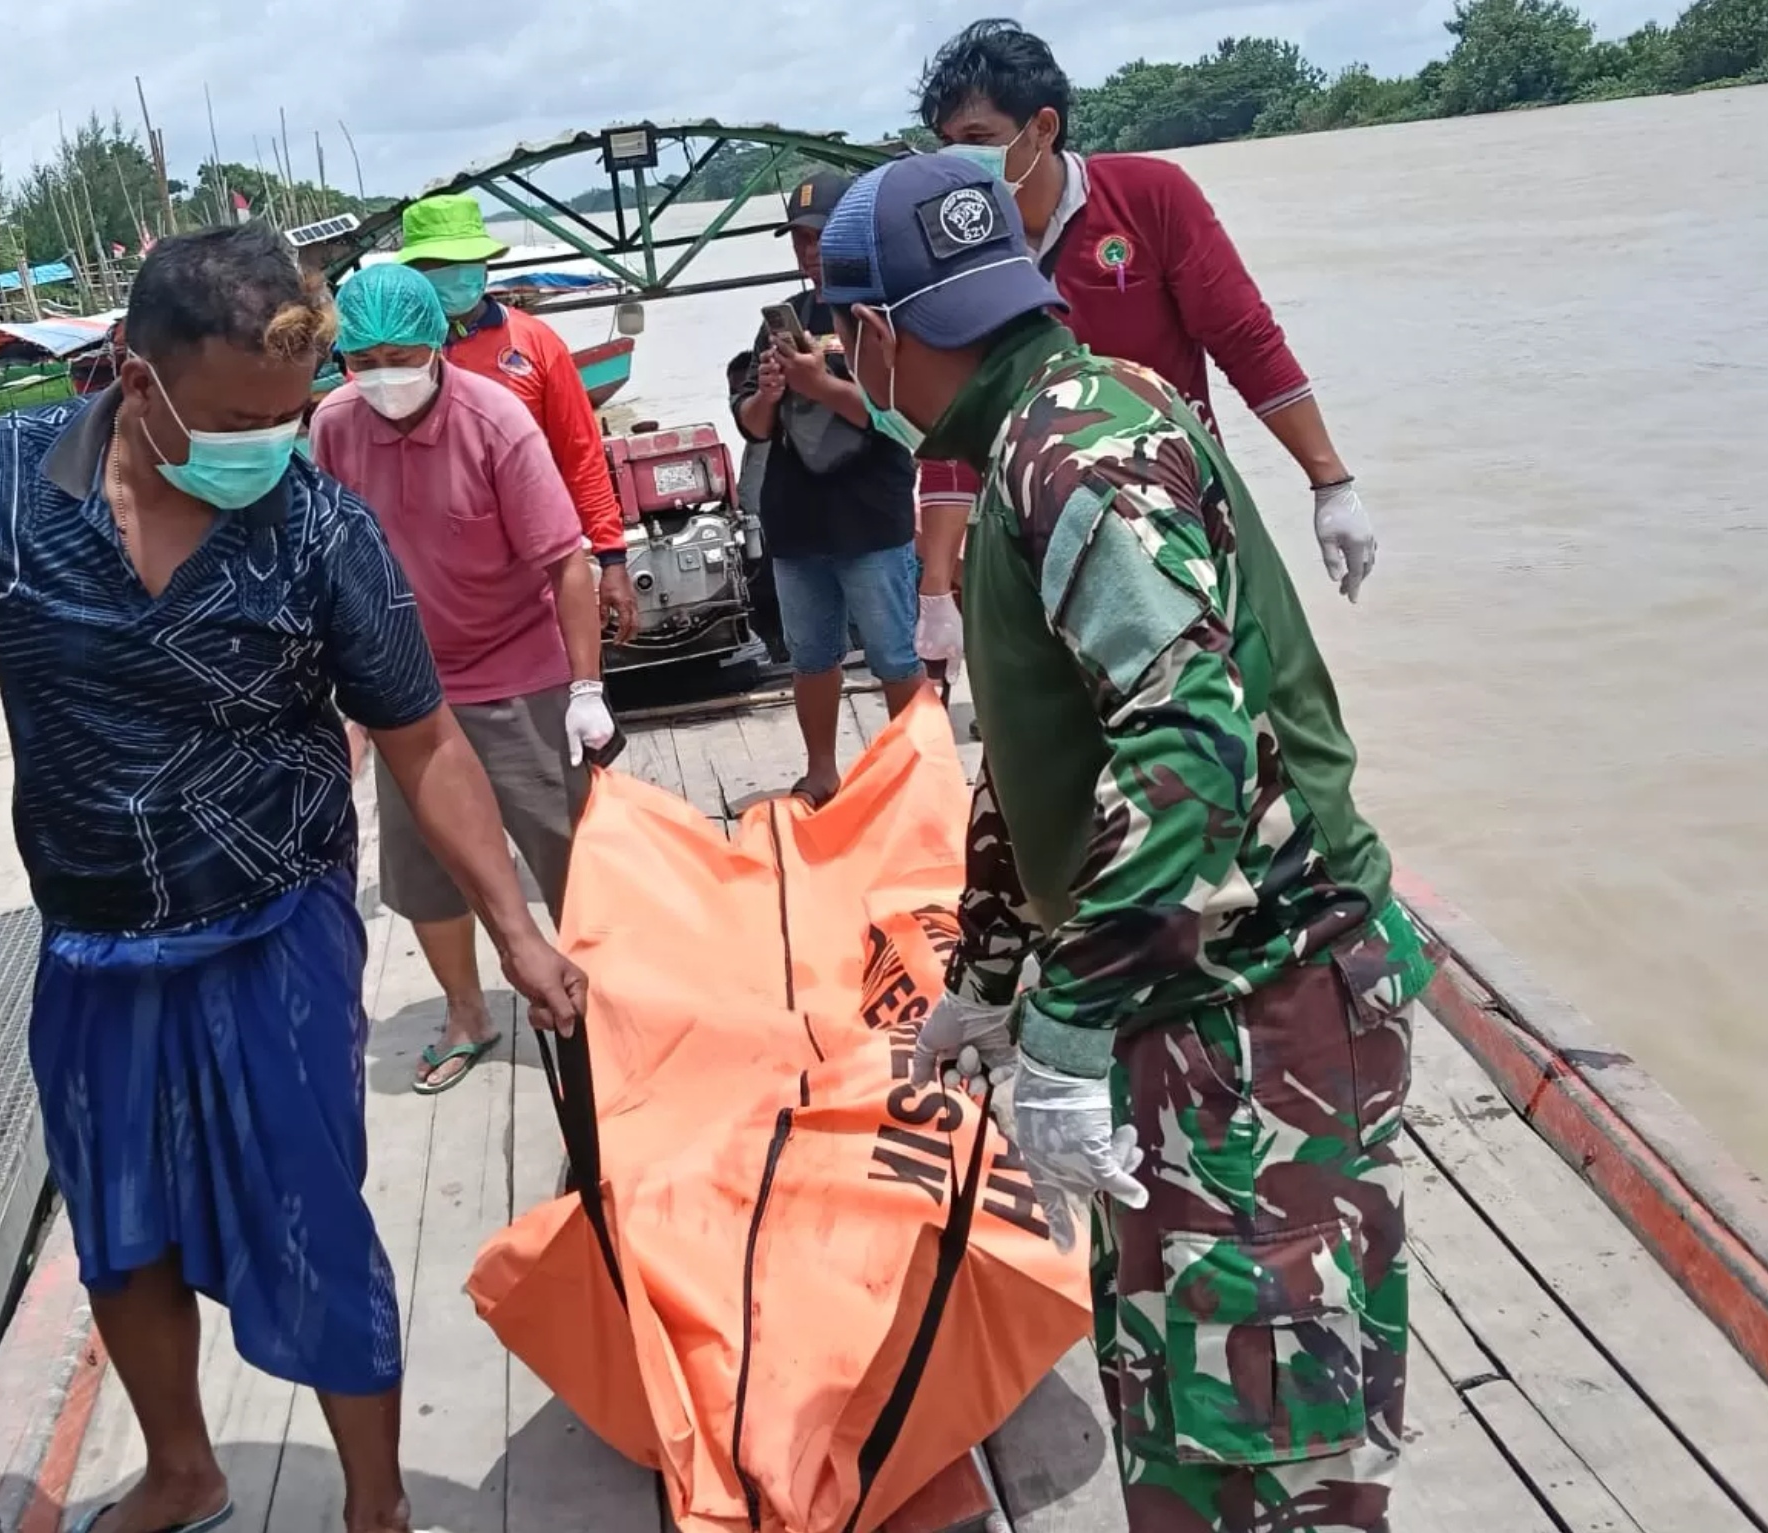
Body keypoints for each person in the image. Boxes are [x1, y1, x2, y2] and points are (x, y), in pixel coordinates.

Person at [0, 225, 588, 1533]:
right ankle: (183, 1466)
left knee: (312, 1201)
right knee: (117, 1224)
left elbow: (420, 737)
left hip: (274, 923)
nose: (275, 442)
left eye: (292, 414)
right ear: (133, 376)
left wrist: (515, 928)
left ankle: (376, 1499)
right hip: (90, 935)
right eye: (242, 417)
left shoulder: (317, 527)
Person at [821, 155, 1436, 1533]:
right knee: (1172, 1372)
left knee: (1265, 1406)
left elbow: (1185, 747)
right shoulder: (1052, 423)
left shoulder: (1073, 456)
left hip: (1259, 995)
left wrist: (1066, 1023)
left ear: (879, 332)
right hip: (1177, 980)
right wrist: (986, 967)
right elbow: (1048, 752)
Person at [906, 16, 1381, 683]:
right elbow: (955, 422)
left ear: (1041, 129)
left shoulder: (1149, 198)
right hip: (1029, 528)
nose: (958, 162)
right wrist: (936, 586)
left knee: (1213, 713)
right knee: (1056, 741)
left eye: (977, 139)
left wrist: (1329, 484)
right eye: (946, 145)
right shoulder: (954, 248)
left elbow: (1244, 340)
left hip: (1170, 511)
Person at [313, 264, 614, 1096]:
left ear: (439, 344)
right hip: (402, 682)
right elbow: (327, 569)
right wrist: (344, 706)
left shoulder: (497, 423)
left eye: (399, 356)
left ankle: (604, 994)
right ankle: (464, 1011)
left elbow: (565, 564)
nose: (382, 378)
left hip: (517, 666)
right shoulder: (335, 426)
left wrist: (584, 689)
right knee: (421, 867)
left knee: (568, 849)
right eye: (361, 361)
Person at [731, 170, 928, 805]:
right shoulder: (784, 324)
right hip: (797, 520)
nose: (809, 251)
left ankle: (916, 774)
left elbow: (903, 411)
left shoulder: (888, 310)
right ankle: (821, 771)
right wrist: (771, 390)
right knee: (812, 655)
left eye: (819, 237)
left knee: (895, 652)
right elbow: (755, 427)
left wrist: (824, 386)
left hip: (871, 515)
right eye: (799, 239)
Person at [392, 192, 642, 639]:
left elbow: (581, 456)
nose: (456, 275)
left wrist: (612, 557)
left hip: (539, 563)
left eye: (465, 262)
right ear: (414, 273)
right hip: (433, 580)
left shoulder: (536, 342)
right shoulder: (389, 360)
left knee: (570, 693)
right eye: (439, 265)